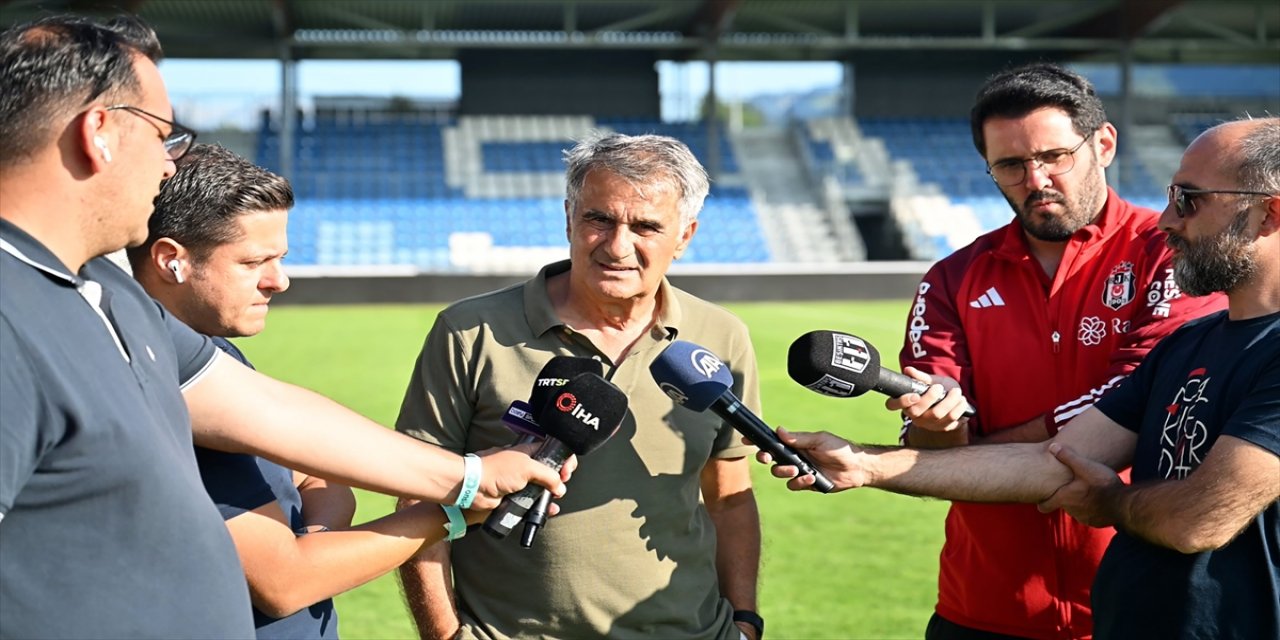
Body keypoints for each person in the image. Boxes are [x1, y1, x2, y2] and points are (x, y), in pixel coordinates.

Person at [0, 15, 565, 639]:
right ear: (99, 132)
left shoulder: (108, 296)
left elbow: (268, 413)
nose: (169, 167)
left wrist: (472, 479)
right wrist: (453, 509)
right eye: (165, 136)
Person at [764, 116, 1280, 640]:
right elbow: (1056, 461)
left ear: (1269, 212)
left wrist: (1110, 503)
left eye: (1189, 199)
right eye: (1010, 164)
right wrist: (865, 463)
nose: (1168, 219)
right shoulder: (1187, 346)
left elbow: (1200, 517)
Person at [127, 143, 525, 639]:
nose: (281, 280)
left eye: (282, 258)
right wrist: (452, 510)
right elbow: (285, 583)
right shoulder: (151, 375)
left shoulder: (209, 351)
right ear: (172, 261)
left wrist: (312, 539)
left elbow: (318, 476)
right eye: (255, 261)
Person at [891, 63, 1227, 639]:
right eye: (1011, 165)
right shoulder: (951, 277)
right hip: (985, 608)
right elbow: (929, 439)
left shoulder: (1171, 253)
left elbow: (1137, 398)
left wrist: (984, 452)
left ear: (1103, 143)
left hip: (1140, 603)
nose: (1036, 178)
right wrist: (937, 424)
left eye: (1054, 156)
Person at [394, 132, 763, 640]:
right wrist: (444, 635)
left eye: (646, 226)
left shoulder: (722, 336)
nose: (618, 246)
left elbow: (729, 498)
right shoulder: (469, 331)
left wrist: (744, 620)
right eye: (599, 219)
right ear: (569, 216)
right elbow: (416, 497)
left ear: (685, 236)